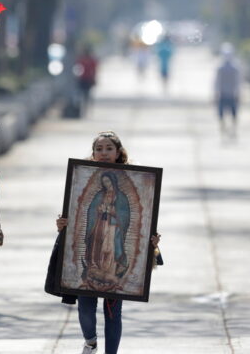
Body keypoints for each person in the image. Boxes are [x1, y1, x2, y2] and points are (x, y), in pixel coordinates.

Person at [54, 131, 161, 354]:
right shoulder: (83, 179)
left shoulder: (132, 184)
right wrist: (64, 224)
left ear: (118, 152)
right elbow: (79, 215)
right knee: (85, 307)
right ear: (93, 153)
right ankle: (90, 341)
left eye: (108, 148)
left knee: (113, 311)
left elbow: (136, 220)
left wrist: (151, 237)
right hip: (96, 238)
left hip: (114, 240)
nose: (104, 153)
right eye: (99, 149)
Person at [214, 43, 241, 136]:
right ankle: (225, 127)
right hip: (225, 94)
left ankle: (232, 128)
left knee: (233, 114)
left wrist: (238, 92)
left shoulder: (234, 68)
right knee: (224, 114)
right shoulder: (221, 68)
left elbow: (238, 82)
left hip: (229, 94)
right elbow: (217, 82)